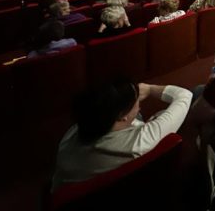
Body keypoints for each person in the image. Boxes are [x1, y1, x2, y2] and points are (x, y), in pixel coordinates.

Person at [52, 79, 193, 189]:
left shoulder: (74, 130)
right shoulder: (141, 141)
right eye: (136, 99)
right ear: (122, 115)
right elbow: (185, 96)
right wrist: (150, 89)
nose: (139, 102)